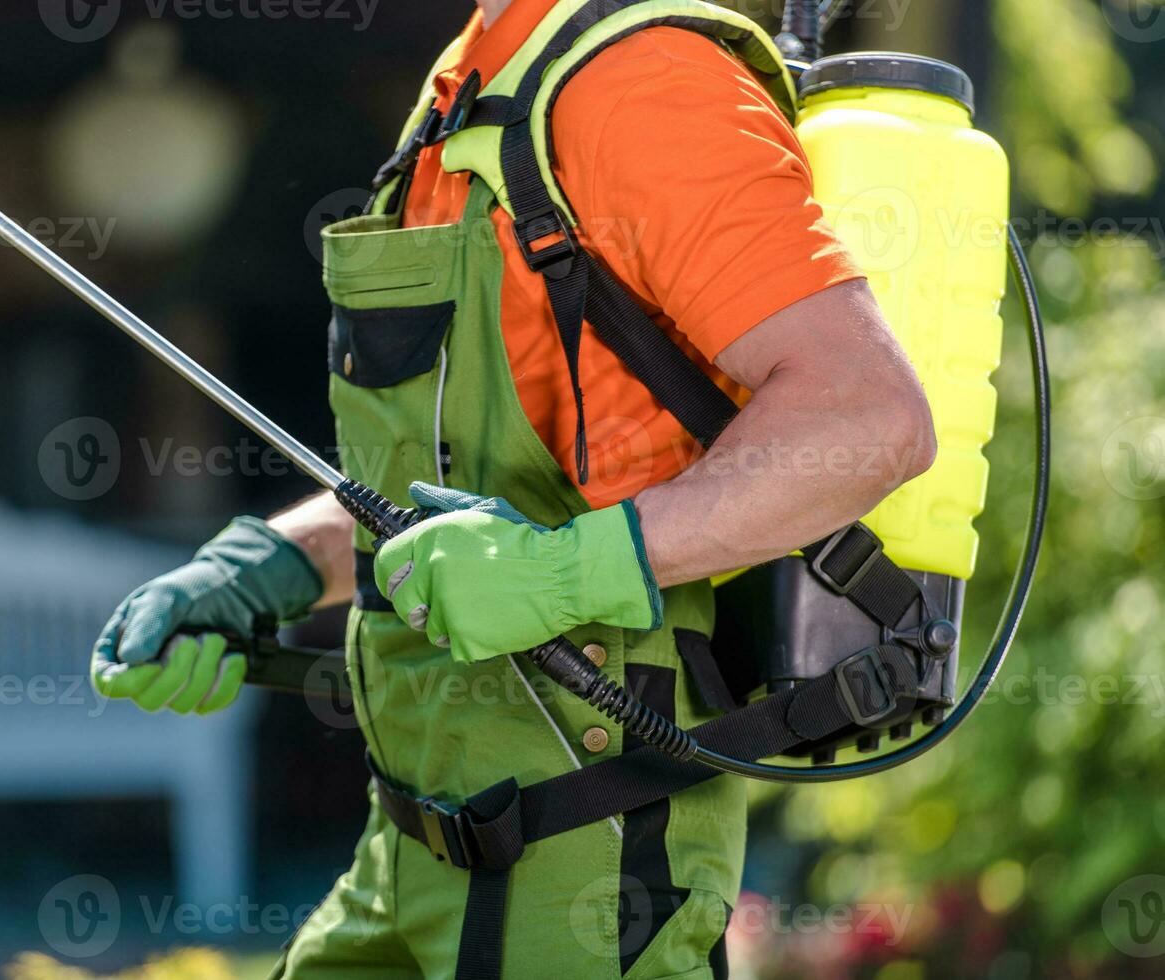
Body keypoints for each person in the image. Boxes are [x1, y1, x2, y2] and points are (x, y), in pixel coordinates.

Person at [92, 0, 936, 976]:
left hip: (579, 843)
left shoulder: (640, 81)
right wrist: (260, 571)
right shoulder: (473, 80)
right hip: (406, 844)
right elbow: (465, 481)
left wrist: (561, 571)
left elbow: (867, 417)